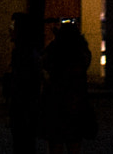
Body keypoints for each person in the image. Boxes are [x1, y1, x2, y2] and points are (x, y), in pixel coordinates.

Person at [40, 19, 97, 154]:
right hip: (75, 104)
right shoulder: (80, 52)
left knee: (57, 144)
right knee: (73, 144)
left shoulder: (55, 50)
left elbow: (45, 62)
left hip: (57, 104)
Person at [5, 12, 45, 154]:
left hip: (24, 109)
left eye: (13, 26)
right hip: (24, 108)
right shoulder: (24, 52)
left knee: (23, 144)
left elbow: (24, 84)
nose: (10, 29)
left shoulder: (25, 54)